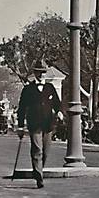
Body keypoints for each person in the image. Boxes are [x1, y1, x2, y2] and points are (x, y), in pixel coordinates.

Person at [16, 59, 62, 189]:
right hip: (34, 124)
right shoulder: (27, 89)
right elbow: (21, 108)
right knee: (37, 150)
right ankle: (39, 176)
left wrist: (59, 112)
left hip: (48, 125)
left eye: (43, 72)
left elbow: (57, 104)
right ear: (35, 73)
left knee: (46, 152)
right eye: (39, 72)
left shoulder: (50, 88)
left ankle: (39, 170)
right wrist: (20, 126)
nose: (41, 75)